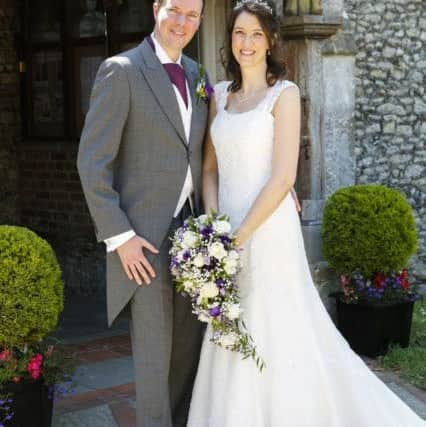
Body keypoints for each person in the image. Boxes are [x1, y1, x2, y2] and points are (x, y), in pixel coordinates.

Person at [187, 1, 426, 426]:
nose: (247, 43)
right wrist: (212, 231)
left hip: (267, 233)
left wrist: (236, 240)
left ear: (271, 40)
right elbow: (209, 168)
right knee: (230, 325)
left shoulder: (286, 94)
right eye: (239, 33)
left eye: (256, 34)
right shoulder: (219, 95)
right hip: (225, 233)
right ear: (229, 40)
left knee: (277, 328)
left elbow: (281, 179)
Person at [77, 1, 207, 426]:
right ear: (156, 8)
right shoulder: (122, 70)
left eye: (193, 15)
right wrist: (121, 238)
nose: (182, 22)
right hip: (144, 244)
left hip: (193, 239)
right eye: (175, 10)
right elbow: (93, 164)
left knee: (188, 355)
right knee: (155, 363)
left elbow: (209, 152)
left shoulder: (198, 75)